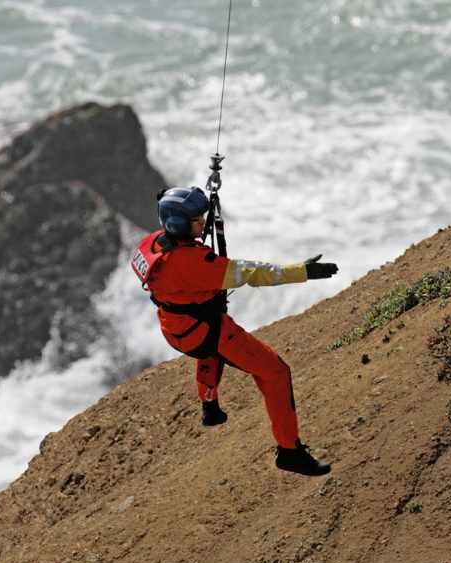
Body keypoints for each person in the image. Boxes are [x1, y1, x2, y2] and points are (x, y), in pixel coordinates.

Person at [130, 186, 339, 476]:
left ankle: (210, 408)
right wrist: (301, 272)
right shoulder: (192, 263)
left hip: (175, 328)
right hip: (206, 329)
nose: (202, 223)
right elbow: (252, 273)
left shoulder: (153, 244)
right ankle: (290, 452)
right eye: (195, 219)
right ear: (177, 224)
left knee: (209, 353)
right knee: (276, 372)